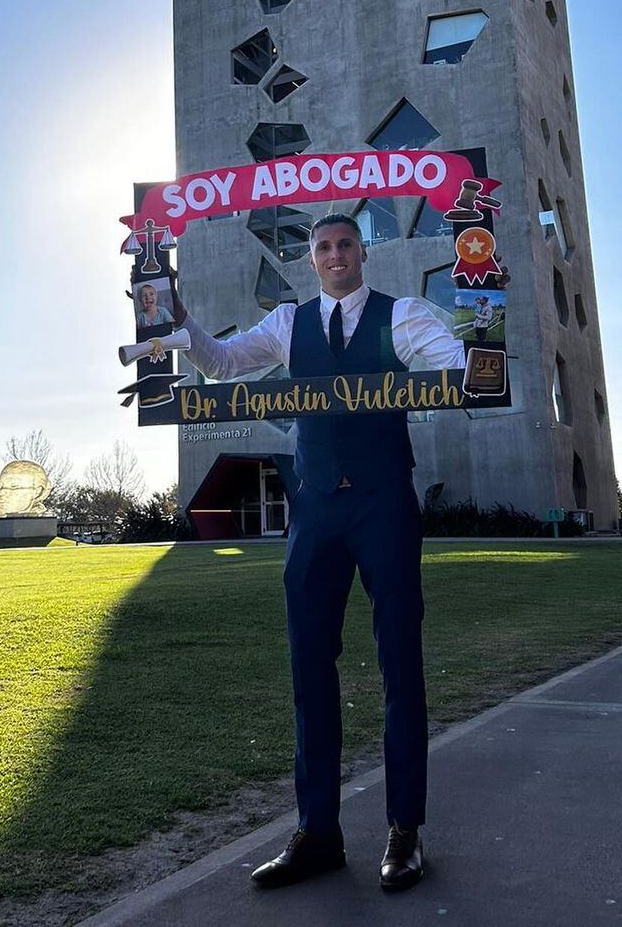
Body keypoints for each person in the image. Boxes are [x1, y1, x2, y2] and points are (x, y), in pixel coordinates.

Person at [171, 213, 467, 893]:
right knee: (308, 667)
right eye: (325, 248)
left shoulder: (404, 314)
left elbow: (454, 367)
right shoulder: (287, 324)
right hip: (316, 510)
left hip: (384, 505)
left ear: (363, 252)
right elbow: (221, 363)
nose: (336, 256)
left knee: (400, 663)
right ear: (312, 259)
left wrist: (482, 334)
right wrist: (177, 318)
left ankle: (404, 831)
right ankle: (317, 834)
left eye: (346, 245)